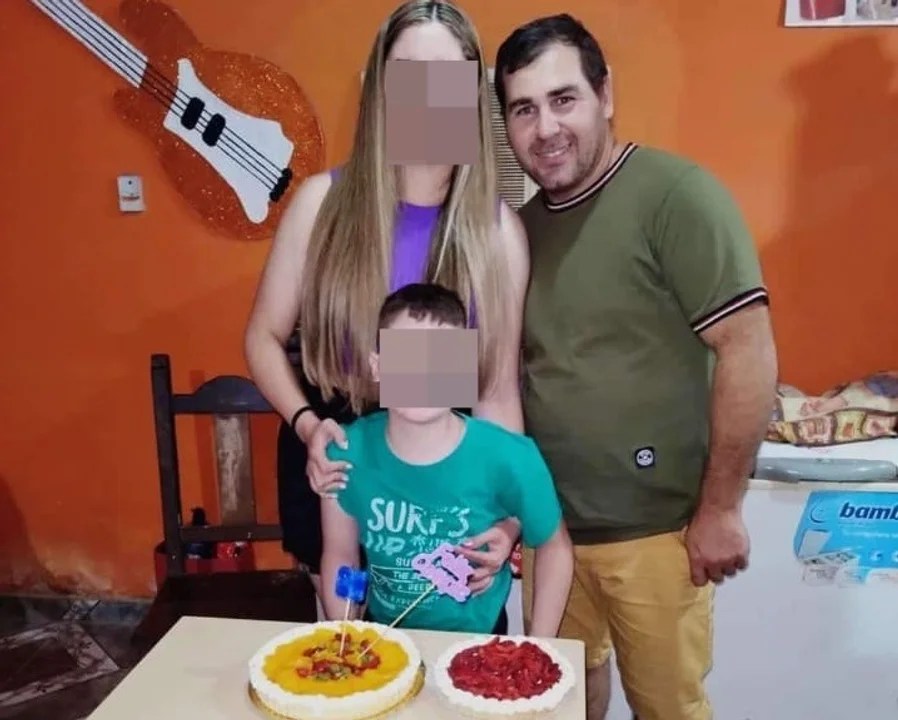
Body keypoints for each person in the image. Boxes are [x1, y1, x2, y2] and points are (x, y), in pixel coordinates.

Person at [492, 14, 778, 720]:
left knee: (667, 709)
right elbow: (505, 380)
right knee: (559, 703)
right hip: (553, 536)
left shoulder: (675, 196)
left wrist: (721, 509)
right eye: (523, 110)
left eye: (563, 99)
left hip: (659, 538)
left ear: (605, 94)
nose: (545, 128)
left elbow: (747, 348)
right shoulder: (516, 232)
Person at [243, 0, 527, 604]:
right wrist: (306, 423)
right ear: (380, 90)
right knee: (348, 641)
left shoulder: (498, 234)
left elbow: (498, 393)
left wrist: (507, 515)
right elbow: (262, 339)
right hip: (339, 457)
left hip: (445, 469)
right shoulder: (320, 206)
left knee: (444, 642)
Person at [320, 283, 573, 636]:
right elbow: (340, 554)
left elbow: (554, 546)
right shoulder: (347, 451)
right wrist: (345, 632)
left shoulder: (510, 455)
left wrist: (539, 644)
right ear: (377, 367)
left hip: (477, 637)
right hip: (383, 634)